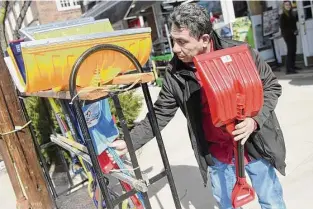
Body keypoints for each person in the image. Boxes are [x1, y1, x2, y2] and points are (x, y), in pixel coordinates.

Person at [109, 3, 287, 209]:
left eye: (182, 42)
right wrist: (130, 141)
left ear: (204, 39)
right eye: (173, 41)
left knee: (271, 202)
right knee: (226, 204)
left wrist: (254, 120)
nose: (175, 49)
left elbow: (271, 87)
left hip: (254, 145)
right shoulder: (176, 72)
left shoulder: (240, 53)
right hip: (217, 153)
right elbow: (160, 113)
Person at [280, 0, 300, 74]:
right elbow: (283, 27)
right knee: (290, 51)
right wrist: (292, 31)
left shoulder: (291, 14)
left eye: (289, 5)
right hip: (288, 36)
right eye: (286, 5)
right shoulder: (283, 16)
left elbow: (293, 24)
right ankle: (289, 69)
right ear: (284, 6)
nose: (288, 6)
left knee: (294, 50)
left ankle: (293, 66)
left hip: (293, 35)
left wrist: (295, 30)